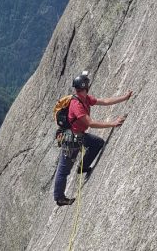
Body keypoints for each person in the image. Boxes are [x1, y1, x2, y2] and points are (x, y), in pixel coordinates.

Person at [54, 71, 132, 206]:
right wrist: (112, 123)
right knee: (64, 170)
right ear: (85, 87)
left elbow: (105, 101)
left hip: (80, 135)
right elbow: (90, 123)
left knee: (97, 143)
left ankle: (83, 167)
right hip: (71, 140)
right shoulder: (76, 105)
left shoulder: (84, 98)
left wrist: (124, 97)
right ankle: (59, 198)